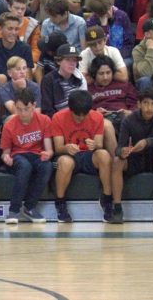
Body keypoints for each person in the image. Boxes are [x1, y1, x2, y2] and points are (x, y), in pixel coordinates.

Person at [109, 87, 153, 224]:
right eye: (145, 103)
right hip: (135, 158)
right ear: (138, 104)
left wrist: (147, 142)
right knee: (117, 160)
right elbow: (119, 147)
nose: (149, 107)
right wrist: (123, 151)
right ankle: (117, 208)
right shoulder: (129, 120)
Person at [52, 89, 113, 223]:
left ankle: (107, 198)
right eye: (77, 115)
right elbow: (58, 148)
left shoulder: (97, 117)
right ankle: (60, 202)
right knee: (65, 162)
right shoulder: (58, 117)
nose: (81, 118)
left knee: (104, 155)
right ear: (70, 109)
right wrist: (66, 147)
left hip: (88, 155)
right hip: (69, 156)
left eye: (84, 115)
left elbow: (99, 144)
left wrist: (94, 145)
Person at [0, 88, 53, 224]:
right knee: (24, 166)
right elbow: (6, 152)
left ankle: (29, 207)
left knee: (47, 166)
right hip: (18, 155)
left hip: (36, 155)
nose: (23, 113)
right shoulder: (9, 124)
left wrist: (48, 154)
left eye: (26, 109)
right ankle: (14, 209)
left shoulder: (44, 120)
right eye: (19, 109)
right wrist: (6, 158)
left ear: (34, 106)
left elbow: (49, 150)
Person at [0, 13, 34, 85]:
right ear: (0, 29)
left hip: (17, 85)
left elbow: (28, 76)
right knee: (1, 78)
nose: (13, 32)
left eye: (16, 29)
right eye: (10, 29)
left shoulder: (25, 48)